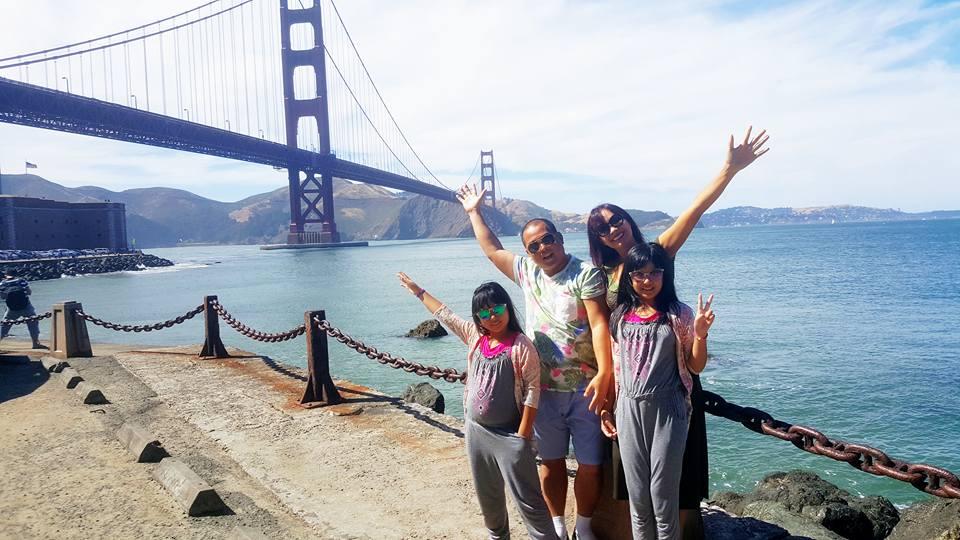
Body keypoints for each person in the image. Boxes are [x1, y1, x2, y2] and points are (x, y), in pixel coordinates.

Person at [586, 127, 769, 537]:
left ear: (627, 220)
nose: (612, 229)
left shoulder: (659, 251)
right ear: (598, 239)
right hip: (629, 393)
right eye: (602, 228)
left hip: (671, 382)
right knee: (636, 488)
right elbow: (604, 336)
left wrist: (729, 170)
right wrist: (605, 391)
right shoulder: (602, 276)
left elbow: (693, 211)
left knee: (672, 485)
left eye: (616, 220)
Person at [457, 188, 612, 540]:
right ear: (528, 252)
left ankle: (583, 527)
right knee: (550, 463)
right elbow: (492, 249)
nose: (543, 248)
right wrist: (473, 212)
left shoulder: (585, 274)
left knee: (590, 465)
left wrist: (605, 374)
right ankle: (556, 525)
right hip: (542, 391)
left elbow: (600, 324)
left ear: (559, 238)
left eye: (548, 239)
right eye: (534, 246)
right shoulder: (528, 272)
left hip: (584, 389)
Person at [396, 272, 558, 540]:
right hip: (476, 433)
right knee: (489, 500)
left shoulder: (521, 345)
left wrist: (522, 437)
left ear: (507, 307)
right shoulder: (475, 337)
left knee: (529, 502)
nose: (492, 316)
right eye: (484, 313)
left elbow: (532, 391)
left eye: (497, 309)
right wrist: (418, 291)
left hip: (509, 437)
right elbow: (445, 315)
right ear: (477, 318)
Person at [600, 243, 716, 539]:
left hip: (668, 409)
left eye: (654, 273)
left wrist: (700, 335)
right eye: (639, 274)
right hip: (628, 410)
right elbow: (616, 368)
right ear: (630, 277)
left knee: (663, 499)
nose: (647, 280)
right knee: (638, 501)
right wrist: (607, 409)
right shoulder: (620, 316)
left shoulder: (679, 314)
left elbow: (695, 365)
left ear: (665, 274)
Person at [0, 269, 45, 349]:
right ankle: (35, 343)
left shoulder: (2, 284)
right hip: (26, 306)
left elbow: (3, 297)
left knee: (5, 326)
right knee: (33, 323)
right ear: (16, 274)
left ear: (6, 275)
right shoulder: (21, 281)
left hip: (12, 309)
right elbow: (29, 292)